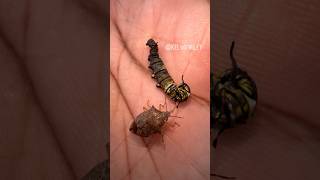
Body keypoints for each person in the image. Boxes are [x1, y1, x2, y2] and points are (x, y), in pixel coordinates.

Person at [110, 0, 210, 179]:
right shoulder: (174, 95)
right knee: (158, 68)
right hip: (164, 80)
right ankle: (153, 49)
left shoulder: (174, 94)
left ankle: (153, 50)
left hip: (164, 81)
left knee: (159, 70)